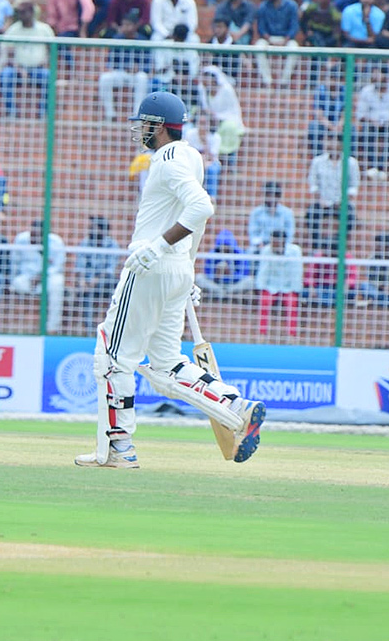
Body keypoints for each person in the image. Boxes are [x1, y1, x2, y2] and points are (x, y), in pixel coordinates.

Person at [75, 92, 264, 469]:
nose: (140, 131)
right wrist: (188, 267)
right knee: (165, 366)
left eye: (144, 124)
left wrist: (158, 248)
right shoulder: (193, 156)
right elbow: (197, 219)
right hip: (176, 269)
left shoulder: (166, 158)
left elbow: (201, 207)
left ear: (158, 127)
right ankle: (234, 405)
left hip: (149, 267)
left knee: (112, 359)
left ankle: (118, 448)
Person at [11, 219, 65, 331]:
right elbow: (14, 263)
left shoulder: (56, 242)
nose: (34, 238)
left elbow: (58, 266)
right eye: (33, 234)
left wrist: (41, 276)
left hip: (48, 279)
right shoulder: (21, 240)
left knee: (58, 284)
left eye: (38, 235)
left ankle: (52, 328)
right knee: (16, 283)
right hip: (26, 279)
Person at [256, 229, 301, 337]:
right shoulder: (266, 250)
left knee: (292, 303)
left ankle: (291, 335)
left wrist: (296, 289)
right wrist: (260, 288)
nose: (273, 244)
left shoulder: (295, 251)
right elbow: (263, 271)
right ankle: (262, 334)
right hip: (271, 285)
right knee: (264, 301)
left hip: (288, 285)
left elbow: (297, 272)